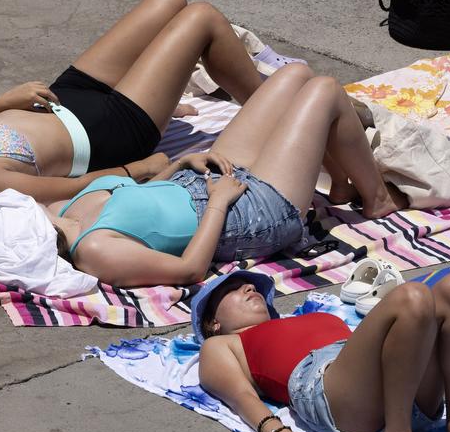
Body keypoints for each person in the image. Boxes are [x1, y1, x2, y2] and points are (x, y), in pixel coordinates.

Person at [46, 62, 401, 288]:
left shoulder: (58, 210)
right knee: (325, 90)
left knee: (296, 75)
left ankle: (340, 184)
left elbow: (142, 204)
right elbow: (189, 270)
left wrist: (179, 166)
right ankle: (378, 199)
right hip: (247, 215)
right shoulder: (93, 250)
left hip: (202, 178)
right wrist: (217, 202)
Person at [0, 0, 271, 204]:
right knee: (202, 18)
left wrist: (0, 103)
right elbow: (75, 188)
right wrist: (135, 170)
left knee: (168, 0)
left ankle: (164, 93)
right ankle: (274, 108)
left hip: (66, 94)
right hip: (112, 130)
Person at [194, 270, 450, 432]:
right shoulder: (222, 345)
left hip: (394, 389)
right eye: (231, 290)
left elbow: (401, 347)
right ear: (213, 322)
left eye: (249, 285)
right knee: (412, 296)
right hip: (329, 389)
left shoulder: (303, 318)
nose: (248, 287)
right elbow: (241, 397)